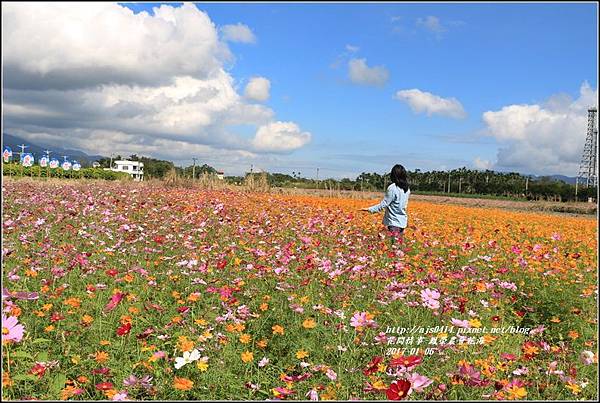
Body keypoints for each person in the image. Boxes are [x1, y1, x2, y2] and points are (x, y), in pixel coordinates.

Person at [360, 164, 410, 244]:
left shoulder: (392, 188)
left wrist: (370, 209)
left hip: (394, 221)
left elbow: (384, 204)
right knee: (398, 244)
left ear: (393, 175)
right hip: (402, 221)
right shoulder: (406, 189)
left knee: (394, 246)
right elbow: (404, 205)